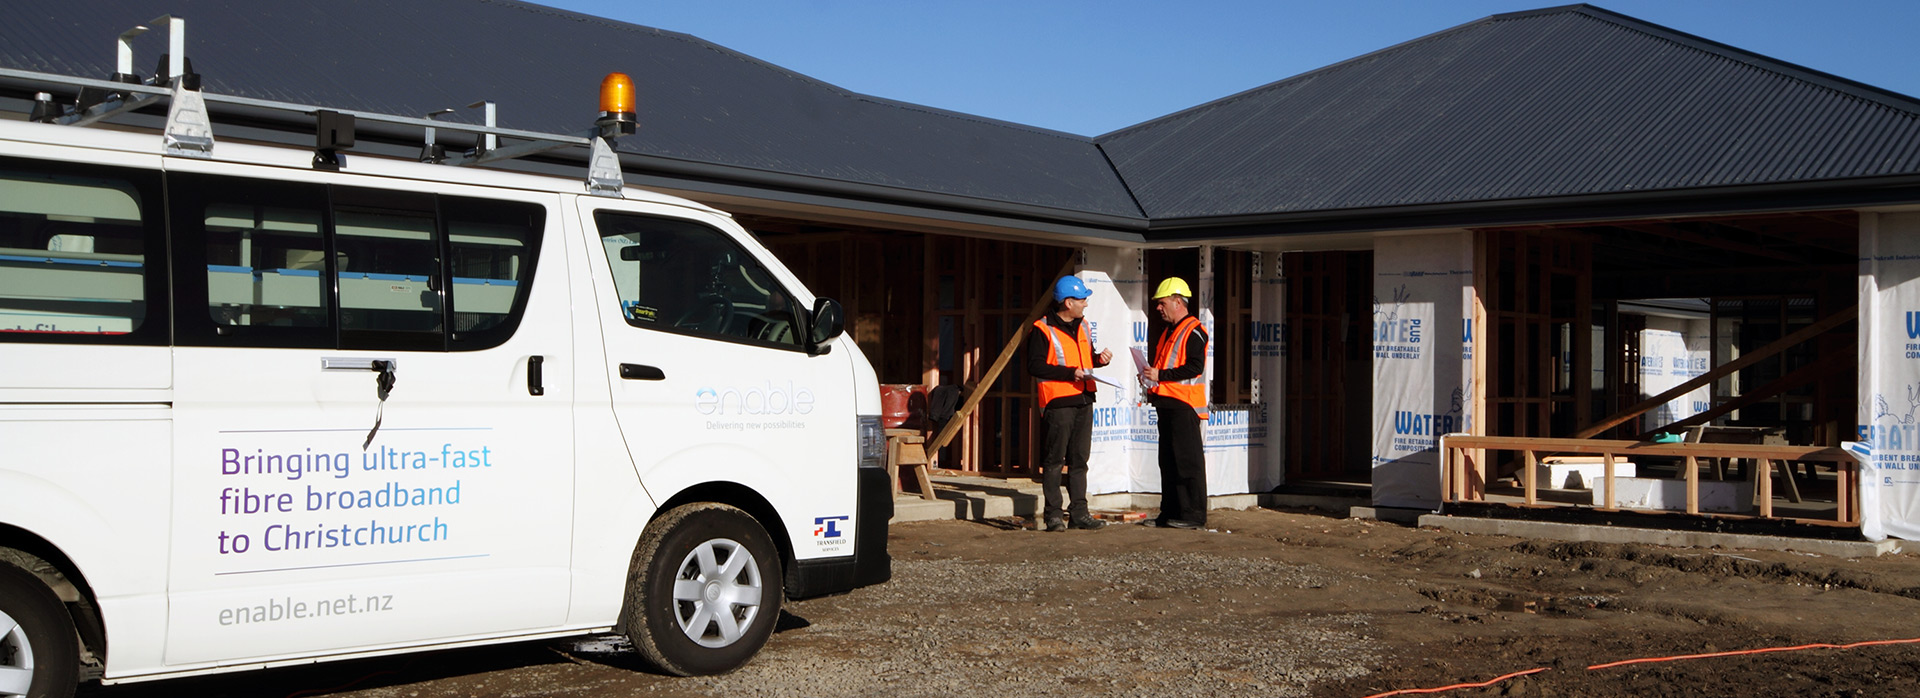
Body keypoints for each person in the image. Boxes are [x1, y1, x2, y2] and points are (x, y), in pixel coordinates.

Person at [1025, 275, 1114, 532]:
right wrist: (1069, 373)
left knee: (1079, 460)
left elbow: (1085, 358)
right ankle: (1053, 515)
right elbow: (1034, 365)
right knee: (1054, 460)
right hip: (1059, 401)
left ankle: (1079, 514)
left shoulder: (1083, 325)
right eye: (1082, 299)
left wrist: (1099, 360)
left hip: (1084, 399)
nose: (1085, 304)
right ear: (1068, 302)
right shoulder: (1042, 329)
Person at [1143, 277, 1210, 529]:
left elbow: (1194, 367)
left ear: (1177, 302)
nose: (1158, 308)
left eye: (1162, 303)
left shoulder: (1193, 331)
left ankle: (1193, 516)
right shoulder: (1169, 331)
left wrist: (1160, 375)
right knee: (1169, 462)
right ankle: (1170, 513)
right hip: (1167, 403)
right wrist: (1152, 377)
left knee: (1187, 463)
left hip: (1185, 405)